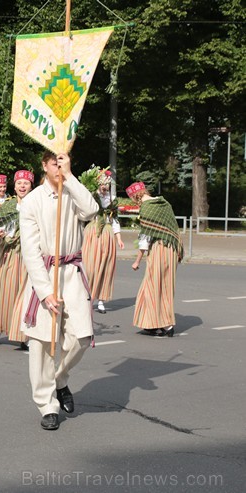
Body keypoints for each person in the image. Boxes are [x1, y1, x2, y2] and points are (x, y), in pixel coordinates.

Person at [19, 152, 99, 431]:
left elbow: (91, 210)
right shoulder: (32, 201)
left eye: (63, 162)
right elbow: (30, 251)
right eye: (54, 163)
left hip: (72, 272)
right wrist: (43, 291)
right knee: (41, 343)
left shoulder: (73, 193)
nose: (58, 166)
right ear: (43, 165)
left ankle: (60, 379)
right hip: (45, 273)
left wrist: (70, 177)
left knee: (81, 335)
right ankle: (46, 404)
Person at [0, 170, 33, 347]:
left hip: (29, 255)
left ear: (31, 186)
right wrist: (0, 236)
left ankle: (23, 334)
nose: (22, 186)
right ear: (15, 185)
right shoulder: (7, 207)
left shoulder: (36, 205)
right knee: (2, 290)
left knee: (25, 293)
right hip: (9, 253)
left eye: (25, 183)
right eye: (19, 183)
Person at [128, 182, 183, 337]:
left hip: (158, 248)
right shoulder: (164, 203)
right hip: (172, 248)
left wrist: (137, 260)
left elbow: (145, 239)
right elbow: (174, 228)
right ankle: (156, 323)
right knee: (166, 286)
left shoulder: (146, 209)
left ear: (135, 196)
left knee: (152, 287)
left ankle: (163, 325)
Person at [81, 170, 124, 314]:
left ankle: (100, 300)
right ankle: (87, 297)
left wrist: (118, 238)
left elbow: (114, 219)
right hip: (93, 232)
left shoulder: (112, 199)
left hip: (107, 232)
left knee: (105, 267)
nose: (105, 186)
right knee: (90, 267)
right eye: (102, 183)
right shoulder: (91, 196)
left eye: (107, 183)